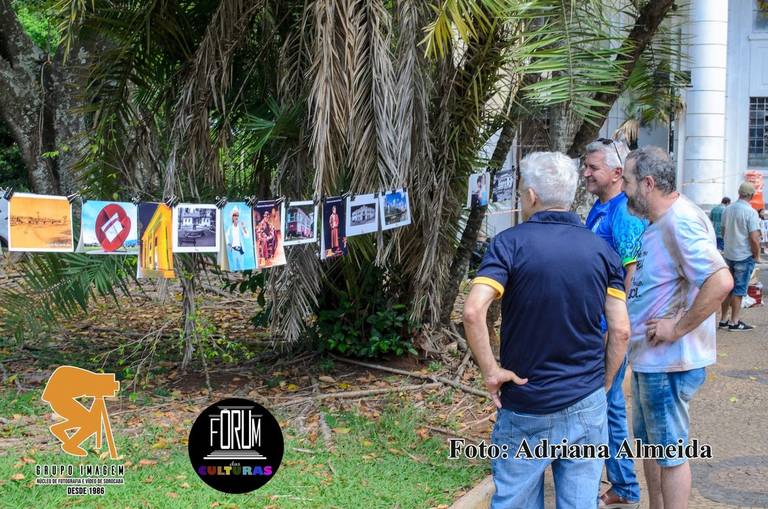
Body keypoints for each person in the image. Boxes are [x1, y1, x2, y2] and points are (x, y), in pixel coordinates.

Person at [463, 151, 630, 509]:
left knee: (516, 501)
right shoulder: (602, 251)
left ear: (532, 196)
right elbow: (620, 332)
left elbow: (474, 311)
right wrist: (602, 385)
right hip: (585, 399)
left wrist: (491, 371)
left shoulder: (508, 244)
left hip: (526, 401)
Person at [621, 146, 733, 509]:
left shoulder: (679, 220)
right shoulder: (662, 222)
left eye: (626, 180)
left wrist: (677, 328)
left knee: (670, 452)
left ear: (648, 183)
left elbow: (721, 280)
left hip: (668, 362)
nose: (623, 188)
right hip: (651, 361)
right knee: (655, 447)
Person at [583, 138, 644, 509]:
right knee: (607, 405)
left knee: (609, 405)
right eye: (586, 166)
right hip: (597, 328)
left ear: (617, 173)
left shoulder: (623, 213)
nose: (586, 173)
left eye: (593, 168)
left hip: (610, 331)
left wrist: (615, 329)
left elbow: (630, 274)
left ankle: (624, 486)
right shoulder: (599, 206)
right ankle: (622, 483)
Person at [719, 182, 762, 331]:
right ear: (751, 195)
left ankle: (723, 319)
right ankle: (734, 322)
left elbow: (723, 231)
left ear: (739, 193)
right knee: (739, 290)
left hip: (729, 254)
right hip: (743, 255)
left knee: (727, 289)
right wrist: (757, 255)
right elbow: (754, 238)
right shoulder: (751, 212)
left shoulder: (728, 209)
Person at [225, 207, 249, 271]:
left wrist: (244, 227)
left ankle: (243, 276)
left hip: (240, 249)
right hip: (233, 249)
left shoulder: (241, 226)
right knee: (234, 266)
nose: (236, 217)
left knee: (242, 266)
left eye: (237, 215)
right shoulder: (230, 227)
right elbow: (226, 235)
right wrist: (228, 243)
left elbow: (247, 236)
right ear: (232, 217)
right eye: (234, 215)